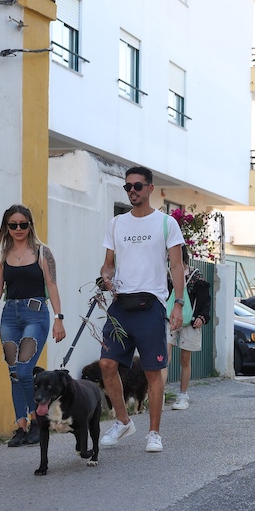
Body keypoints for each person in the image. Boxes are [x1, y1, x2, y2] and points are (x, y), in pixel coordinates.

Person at [98, 166, 186, 453]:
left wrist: (178, 305)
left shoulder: (166, 224)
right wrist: (106, 276)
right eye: (128, 187)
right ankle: (124, 422)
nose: (132, 191)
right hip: (120, 305)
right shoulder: (116, 224)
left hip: (151, 305)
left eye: (138, 186)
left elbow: (176, 266)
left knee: (152, 370)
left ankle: (154, 433)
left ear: (150, 188)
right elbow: (108, 264)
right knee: (107, 364)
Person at [0, 204, 66, 447]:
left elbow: (53, 285)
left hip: (35, 315)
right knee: (14, 373)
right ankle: (21, 426)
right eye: (13, 225)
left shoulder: (42, 252)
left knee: (25, 370)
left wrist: (59, 317)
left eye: (23, 224)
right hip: (9, 316)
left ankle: (39, 420)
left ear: (30, 225)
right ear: (6, 227)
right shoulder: (2, 254)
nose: (18, 229)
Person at [168, 246, 211, 410]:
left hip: (191, 321)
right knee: (164, 357)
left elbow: (205, 301)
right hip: (169, 319)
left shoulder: (196, 275)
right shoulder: (166, 274)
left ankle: (182, 395)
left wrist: (202, 317)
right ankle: (157, 393)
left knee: (185, 359)